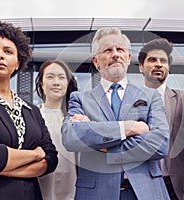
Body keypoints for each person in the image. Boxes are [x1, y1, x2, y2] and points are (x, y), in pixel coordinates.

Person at [61, 27, 170, 200]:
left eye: (120, 49)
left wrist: (99, 139)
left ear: (128, 58)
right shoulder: (80, 99)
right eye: (108, 50)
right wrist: (128, 128)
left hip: (146, 192)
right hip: (96, 193)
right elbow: (71, 137)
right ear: (96, 61)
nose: (115, 54)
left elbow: (161, 143)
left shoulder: (151, 96)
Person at [0, 20, 58, 200]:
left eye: (8, 51)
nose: (0, 55)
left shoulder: (31, 110)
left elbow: (51, 159)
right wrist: (35, 154)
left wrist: (4, 164)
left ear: (18, 63)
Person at [138, 38, 184, 200]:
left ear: (168, 67)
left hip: (179, 188)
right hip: (141, 186)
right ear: (141, 67)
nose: (158, 64)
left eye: (163, 61)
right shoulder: (128, 101)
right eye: (152, 60)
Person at [35, 59, 78, 200]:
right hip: (39, 189)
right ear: (41, 82)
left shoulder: (77, 118)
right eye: (50, 77)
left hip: (73, 191)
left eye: (61, 77)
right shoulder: (32, 116)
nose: (56, 82)